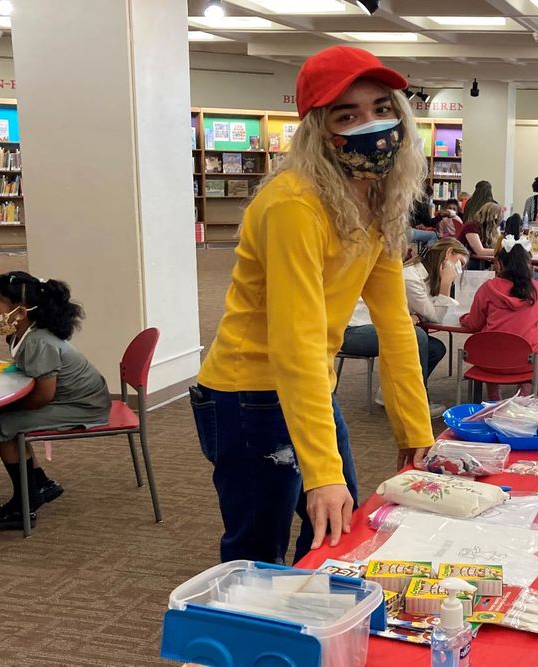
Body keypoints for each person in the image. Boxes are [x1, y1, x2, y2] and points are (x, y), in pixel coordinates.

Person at [192, 46, 434, 565]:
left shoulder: (377, 201)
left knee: (335, 530)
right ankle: (252, 637)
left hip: (309, 384)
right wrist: (320, 473)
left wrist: (415, 431)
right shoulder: (293, 205)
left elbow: (395, 323)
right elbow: (294, 339)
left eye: (381, 108)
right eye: (347, 115)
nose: (371, 124)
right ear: (318, 130)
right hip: (249, 390)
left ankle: (310, 633)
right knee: (258, 546)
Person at [0, 272, 109, 529]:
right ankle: (40, 483)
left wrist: (7, 409)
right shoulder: (22, 335)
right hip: (76, 399)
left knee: (2, 426)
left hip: (84, 407)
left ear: (19, 313)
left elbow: (43, 395)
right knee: (2, 418)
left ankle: (23, 506)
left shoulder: (39, 342)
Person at [342, 240, 469, 418]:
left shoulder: (423, 275)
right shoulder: (411, 277)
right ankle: (416, 403)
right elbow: (435, 315)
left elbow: (427, 311)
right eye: (460, 263)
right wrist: (446, 284)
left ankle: (389, 393)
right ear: (448, 254)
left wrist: (419, 315)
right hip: (355, 331)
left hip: (376, 326)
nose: (459, 270)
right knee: (417, 336)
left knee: (435, 348)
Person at [459, 235, 538, 400]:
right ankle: (523, 399)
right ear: (528, 263)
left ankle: (494, 399)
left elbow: (474, 324)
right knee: (531, 345)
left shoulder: (488, 288)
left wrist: (464, 318)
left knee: (492, 343)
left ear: (499, 263)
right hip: (527, 362)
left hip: (491, 361)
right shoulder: (537, 290)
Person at [457, 201, 501, 269]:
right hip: (466, 260)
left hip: (476, 259)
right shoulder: (471, 226)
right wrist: (500, 250)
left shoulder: (488, 229)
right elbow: (480, 251)